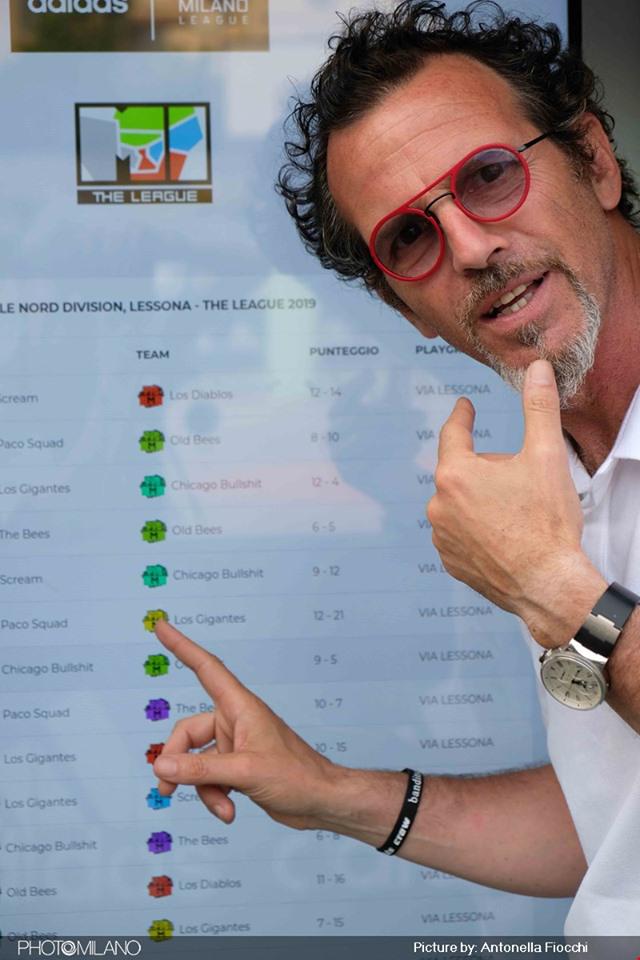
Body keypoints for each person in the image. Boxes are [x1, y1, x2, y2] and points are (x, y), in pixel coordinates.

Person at [152, 0, 640, 935]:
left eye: (490, 175)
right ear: (406, 309)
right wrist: (329, 790)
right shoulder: (556, 473)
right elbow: (611, 821)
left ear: (595, 160)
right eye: (410, 237)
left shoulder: (537, 556)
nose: (472, 249)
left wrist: (553, 592)